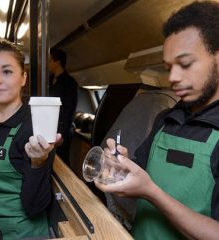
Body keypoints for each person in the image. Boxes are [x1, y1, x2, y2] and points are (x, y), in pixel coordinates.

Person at [94, 1, 219, 240]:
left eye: (185, 64)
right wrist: (118, 170)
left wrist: (151, 192)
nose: (172, 77)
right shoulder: (167, 118)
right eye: (168, 67)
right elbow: (135, 182)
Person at [0, 39, 61, 240]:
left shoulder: (33, 128)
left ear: (23, 78)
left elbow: (35, 206)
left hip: (20, 234)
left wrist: (38, 163)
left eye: (7, 71)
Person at [49, 48, 78, 165]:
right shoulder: (49, 80)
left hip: (63, 128)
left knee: (62, 160)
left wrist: (62, 134)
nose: (48, 64)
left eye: (50, 60)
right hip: (50, 126)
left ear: (58, 62)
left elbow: (70, 110)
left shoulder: (70, 83)